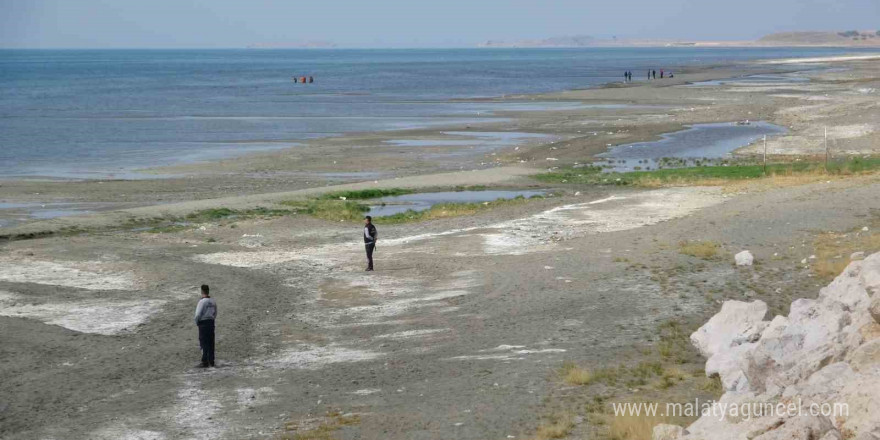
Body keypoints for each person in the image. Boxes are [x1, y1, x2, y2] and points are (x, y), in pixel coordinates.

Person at [194, 284, 217, 368]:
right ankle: (211, 361)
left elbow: (197, 314)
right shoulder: (213, 301)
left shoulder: (202, 302)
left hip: (203, 323)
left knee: (203, 342)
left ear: (202, 291)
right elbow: (215, 313)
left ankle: (205, 361)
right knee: (211, 342)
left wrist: (197, 322)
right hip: (211, 323)